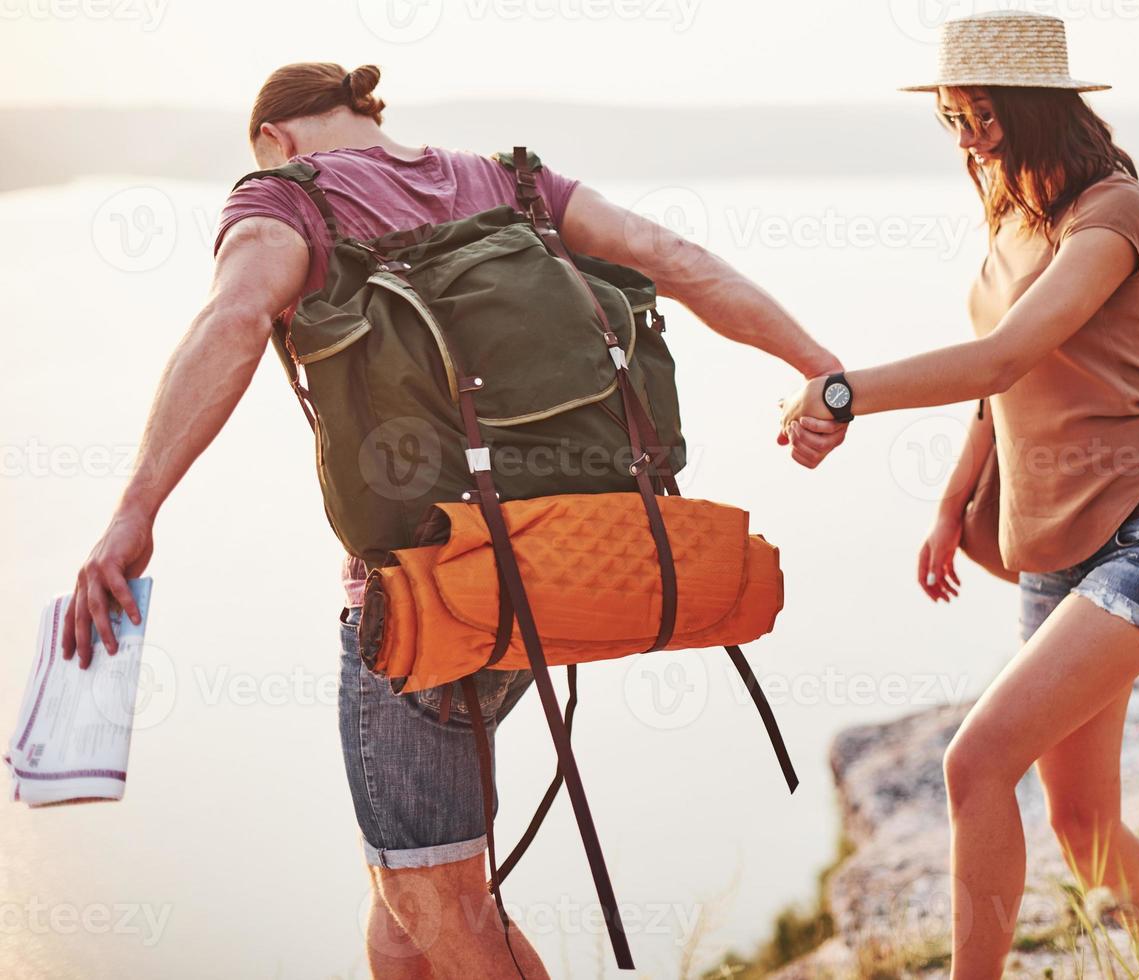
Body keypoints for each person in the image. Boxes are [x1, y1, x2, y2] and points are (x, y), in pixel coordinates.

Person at [60, 61, 846, 978]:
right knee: (403, 908)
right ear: (367, 112)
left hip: (425, 602)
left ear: (275, 137)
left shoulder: (285, 200)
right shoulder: (511, 183)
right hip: (562, 573)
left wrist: (133, 512)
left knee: (443, 912)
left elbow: (232, 320)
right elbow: (677, 262)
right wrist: (819, 367)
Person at [778, 13, 1139, 980]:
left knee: (973, 765)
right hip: (1052, 545)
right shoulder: (1016, 219)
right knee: (1082, 819)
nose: (970, 136)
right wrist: (952, 506)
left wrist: (844, 393)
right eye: (952, 118)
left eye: (984, 114)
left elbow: (1007, 352)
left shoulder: (1113, 214)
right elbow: (1003, 387)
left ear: (1038, 107)